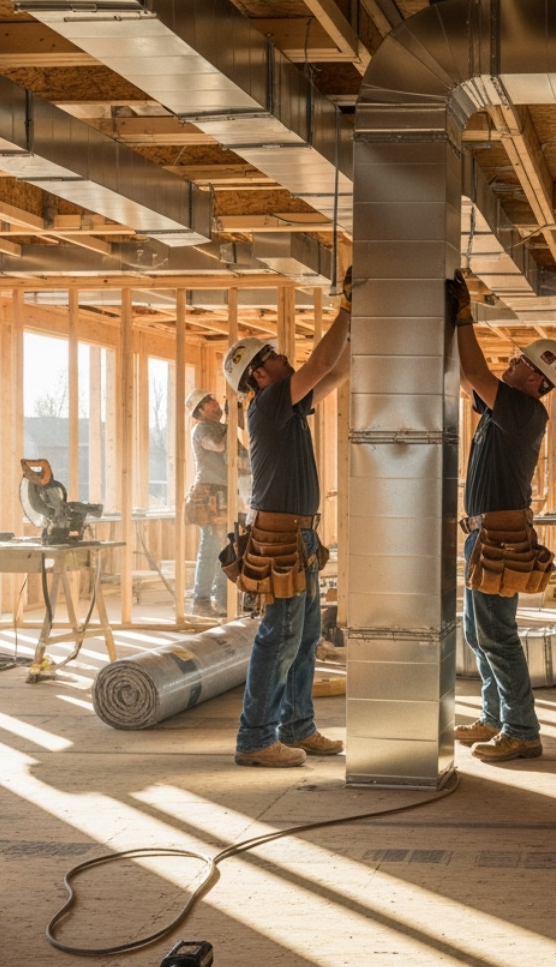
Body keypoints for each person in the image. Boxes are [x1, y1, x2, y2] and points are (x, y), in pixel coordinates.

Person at [221, 273, 352, 768]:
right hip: (279, 539)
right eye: (273, 356)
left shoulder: (289, 406)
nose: (283, 357)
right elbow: (320, 364)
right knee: (279, 637)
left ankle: (297, 727)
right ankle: (255, 739)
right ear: (259, 374)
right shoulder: (270, 402)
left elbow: (336, 371)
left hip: (299, 537)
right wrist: (346, 308)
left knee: (305, 635)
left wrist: (362, 322)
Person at [447, 272, 556, 763]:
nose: (510, 364)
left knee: (497, 635)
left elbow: (476, 372)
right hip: (486, 536)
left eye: (519, 362)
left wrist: (465, 317)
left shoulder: (523, 411)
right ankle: (495, 717)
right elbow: (467, 377)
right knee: (479, 634)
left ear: (537, 380)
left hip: (499, 537)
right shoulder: (504, 409)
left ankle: (522, 730)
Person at [184, 389, 243, 619]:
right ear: (200, 410)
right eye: (208, 401)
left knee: (227, 547)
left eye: (212, 399)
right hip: (208, 493)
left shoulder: (225, 428)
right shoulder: (201, 429)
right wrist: (232, 421)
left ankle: (222, 599)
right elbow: (217, 446)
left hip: (226, 492)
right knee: (210, 547)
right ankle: (200, 601)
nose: (215, 402)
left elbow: (244, 459)